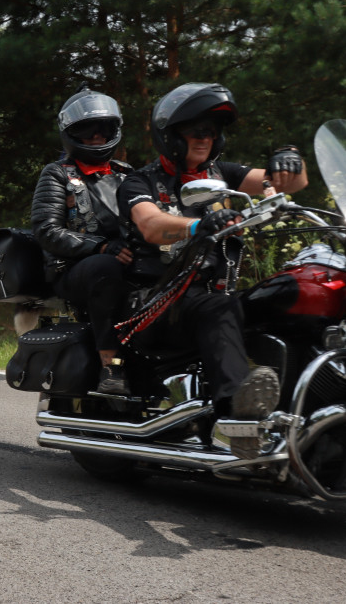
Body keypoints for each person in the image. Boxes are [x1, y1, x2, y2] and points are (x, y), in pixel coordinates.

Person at [116, 82, 308, 458]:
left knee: (289, 296)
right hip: (157, 305)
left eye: (211, 131)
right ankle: (236, 417)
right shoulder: (140, 181)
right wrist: (193, 225)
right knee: (220, 308)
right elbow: (150, 224)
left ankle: (302, 411)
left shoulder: (223, 174)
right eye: (194, 131)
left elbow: (290, 185)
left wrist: (289, 161)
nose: (205, 139)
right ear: (170, 135)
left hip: (210, 298)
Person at [30, 86, 135, 395]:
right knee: (106, 269)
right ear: (71, 133)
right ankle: (110, 368)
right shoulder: (58, 174)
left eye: (104, 127)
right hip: (74, 269)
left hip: (124, 259)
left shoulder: (126, 174)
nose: (97, 136)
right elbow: (47, 231)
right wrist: (100, 246)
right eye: (88, 129)